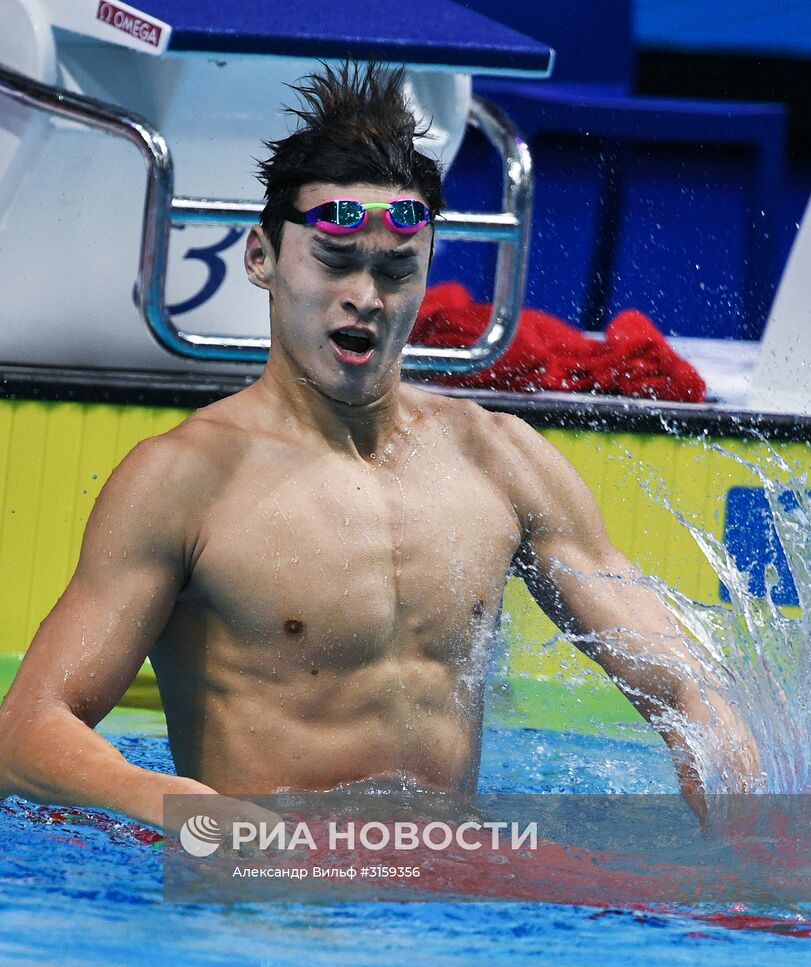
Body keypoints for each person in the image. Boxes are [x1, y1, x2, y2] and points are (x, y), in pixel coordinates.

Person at [0, 63, 758, 830]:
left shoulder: (501, 460)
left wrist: (713, 737)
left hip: (439, 903)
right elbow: (26, 732)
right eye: (334, 261)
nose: (365, 293)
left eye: (396, 269)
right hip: (267, 909)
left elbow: (676, 683)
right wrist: (200, 815)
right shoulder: (185, 482)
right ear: (261, 257)